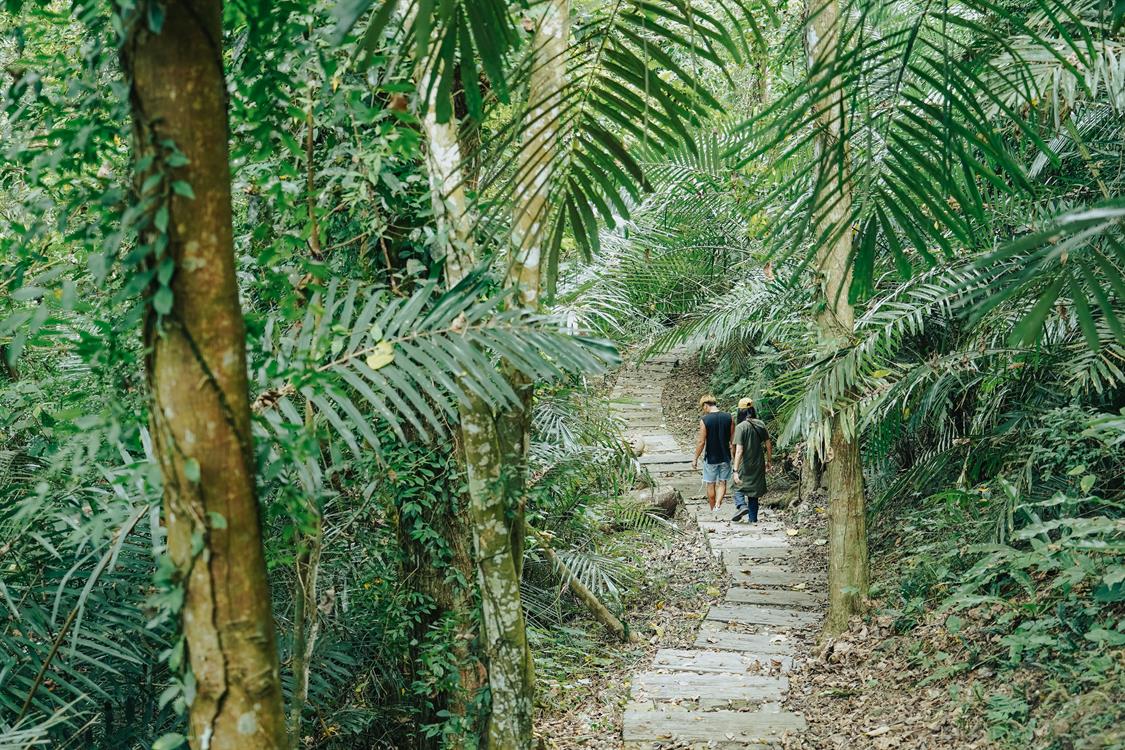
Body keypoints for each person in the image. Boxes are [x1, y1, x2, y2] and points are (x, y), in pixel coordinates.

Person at [731, 397, 772, 523]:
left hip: (745, 463)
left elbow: (739, 450)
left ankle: (742, 506)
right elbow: (768, 444)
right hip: (758, 462)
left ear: (740, 411)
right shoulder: (760, 424)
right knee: (754, 492)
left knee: (736, 486)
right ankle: (753, 520)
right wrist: (769, 461)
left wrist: (735, 470)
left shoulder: (741, 427)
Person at [691, 394, 734, 510]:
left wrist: (695, 458)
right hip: (725, 456)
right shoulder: (729, 417)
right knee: (722, 482)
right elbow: (732, 440)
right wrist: (734, 456)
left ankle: (712, 510)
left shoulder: (705, 420)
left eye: (702, 407)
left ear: (705, 405)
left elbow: (701, 442)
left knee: (710, 484)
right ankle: (718, 505)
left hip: (711, 458)